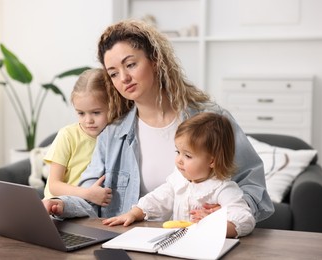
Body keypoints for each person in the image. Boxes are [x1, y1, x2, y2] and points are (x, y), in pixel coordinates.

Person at [43, 19, 274, 223]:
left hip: (199, 240)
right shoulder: (112, 135)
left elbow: (254, 186)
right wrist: (61, 205)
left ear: (154, 60)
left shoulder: (211, 120)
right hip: (132, 244)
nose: (124, 78)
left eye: (131, 64)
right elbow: (90, 199)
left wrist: (227, 214)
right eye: (113, 73)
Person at [102, 113, 256, 238]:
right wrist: (134, 213)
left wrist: (216, 226)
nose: (179, 160)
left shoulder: (223, 188)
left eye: (188, 156)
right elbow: (159, 197)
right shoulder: (179, 179)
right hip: (178, 243)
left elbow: (245, 218)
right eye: (178, 152)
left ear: (212, 161)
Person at [42, 68, 112, 210]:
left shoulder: (114, 137)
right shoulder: (67, 135)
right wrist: (88, 194)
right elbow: (54, 185)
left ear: (112, 105)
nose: (88, 120)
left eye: (96, 113)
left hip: (87, 212)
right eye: (81, 113)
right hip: (55, 208)